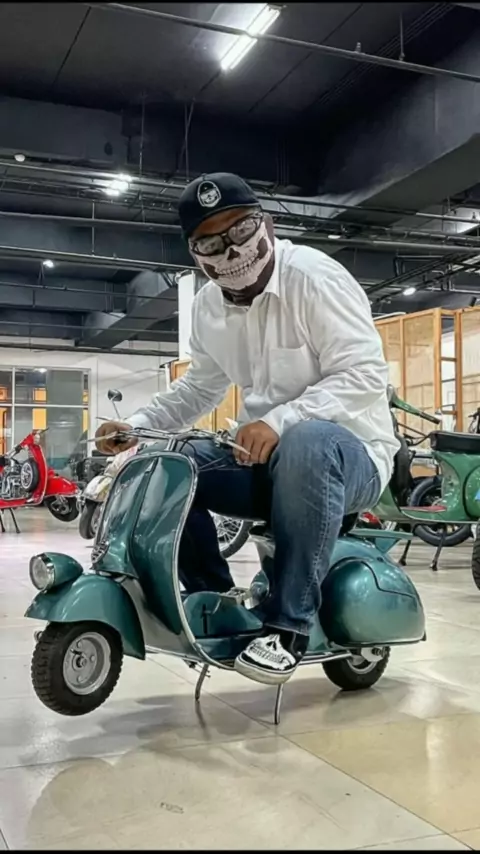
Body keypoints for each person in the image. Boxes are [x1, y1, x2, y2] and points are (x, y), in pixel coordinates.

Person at [96, 172, 399, 686]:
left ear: (268, 225)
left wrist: (279, 421)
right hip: (263, 462)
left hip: (351, 459)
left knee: (307, 440)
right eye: (211, 242)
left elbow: (366, 373)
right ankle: (213, 601)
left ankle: (288, 627)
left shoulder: (314, 279)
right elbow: (199, 389)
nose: (232, 249)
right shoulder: (208, 308)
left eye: (241, 229)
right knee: (172, 461)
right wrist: (137, 426)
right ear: (195, 253)